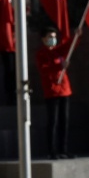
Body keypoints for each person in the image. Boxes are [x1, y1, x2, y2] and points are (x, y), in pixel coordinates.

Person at [34, 25, 72, 159]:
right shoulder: (41, 54)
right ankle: (52, 150)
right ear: (43, 39)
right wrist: (58, 66)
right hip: (52, 92)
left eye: (54, 37)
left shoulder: (58, 51)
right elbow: (44, 69)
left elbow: (70, 46)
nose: (53, 39)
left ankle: (64, 149)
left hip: (64, 90)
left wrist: (77, 35)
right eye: (50, 37)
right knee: (53, 122)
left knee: (64, 121)